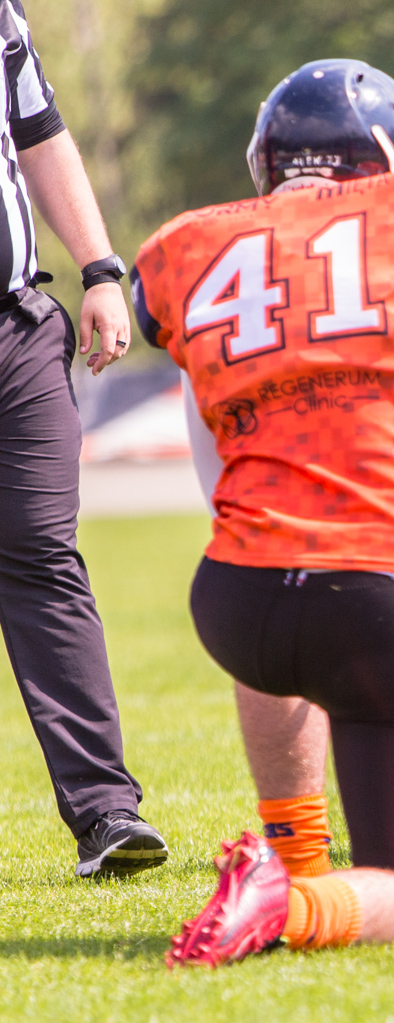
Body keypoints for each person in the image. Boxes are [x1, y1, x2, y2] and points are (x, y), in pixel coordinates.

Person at [131, 59, 394, 966]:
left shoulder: (195, 247)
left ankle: (289, 853)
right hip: (381, 588)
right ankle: (290, 900)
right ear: (393, 155)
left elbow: (222, 477)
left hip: (236, 604)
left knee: (280, 571)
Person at [0, 0, 167, 876]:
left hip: (16, 325)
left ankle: (107, 813)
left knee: (43, 555)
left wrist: (102, 268)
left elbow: (39, 132)